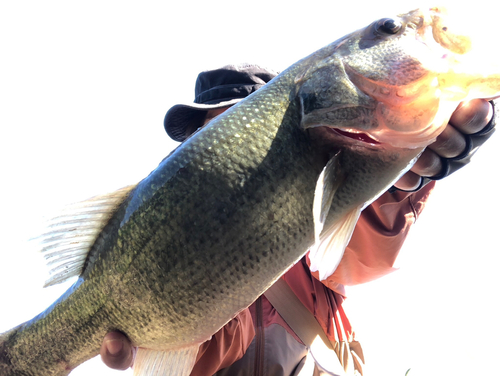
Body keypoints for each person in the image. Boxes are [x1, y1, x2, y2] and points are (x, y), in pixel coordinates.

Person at [99, 64, 496, 375]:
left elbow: (366, 238)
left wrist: (406, 179)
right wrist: (158, 331)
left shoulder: (316, 239)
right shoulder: (166, 256)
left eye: (241, 134)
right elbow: (205, 357)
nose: (225, 158)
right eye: (206, 142)